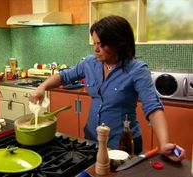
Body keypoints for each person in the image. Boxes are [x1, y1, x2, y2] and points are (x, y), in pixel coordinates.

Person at [29, 15, 185, 161]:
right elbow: (64, 76)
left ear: (118, 43)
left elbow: (153, 108)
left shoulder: (137, 69)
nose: (96, 49)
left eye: (101, 44)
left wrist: (164, 144)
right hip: (92, 138)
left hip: (122, 143)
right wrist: (42, 87)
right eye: (95, 43)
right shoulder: (90, 63)